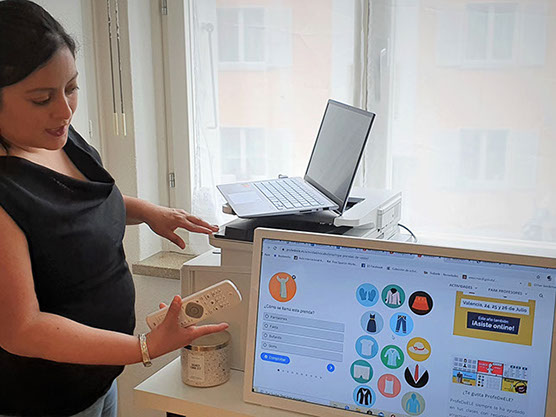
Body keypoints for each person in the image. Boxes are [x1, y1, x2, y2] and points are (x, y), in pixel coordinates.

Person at [0, 1, 227, 416]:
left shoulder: (55, 135)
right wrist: (145, 347)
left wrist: (147, 211)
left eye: (71, 88)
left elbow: (76, 206)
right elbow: (22, 330)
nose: (64, 110)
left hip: (98, 379)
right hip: (46, 399)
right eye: (42, 98)